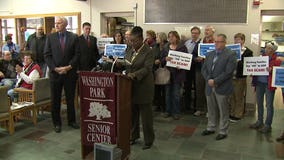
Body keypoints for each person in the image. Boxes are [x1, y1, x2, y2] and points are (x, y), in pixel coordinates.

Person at [44, 16, 80, 133]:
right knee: (55, 99)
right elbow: (47, 55)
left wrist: (69, 67)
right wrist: (55, 68)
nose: (56, 25)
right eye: (56, 23)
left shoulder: (73, 37)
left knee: (70, 98)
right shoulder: (50, 37)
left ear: (65, 24)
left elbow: (77, 55)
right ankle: (57, 123)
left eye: (59, 23)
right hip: (55, 73)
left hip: (69, 73)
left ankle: (71, 121)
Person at [124, 26, 155, 150]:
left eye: (134, 41)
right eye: (130, 40)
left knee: (146, 117)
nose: (132, 43)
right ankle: (133, 136)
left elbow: (147, 68)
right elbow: (127, 64)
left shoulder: (149, 51)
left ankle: (149, 140)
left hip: (144, 88)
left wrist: (134, 75)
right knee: (133, 115)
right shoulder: (130, 49)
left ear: (141, 39)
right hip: (130, 87)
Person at [201, 34, 237, 140]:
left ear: (225, 43)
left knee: (223, 110)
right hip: (209, 86)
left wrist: (215, 81)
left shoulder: (231, 54)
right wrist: (208, 79)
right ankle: (211, 127)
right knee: (211, 108)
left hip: (222, 87)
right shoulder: (209, 54)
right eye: (215, 41)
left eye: (219, 42)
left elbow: (228, 72)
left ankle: (223, 131)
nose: (216, 43)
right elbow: (204, 69)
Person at [250, 42, 281, 133]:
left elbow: (278, 73)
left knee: (269, 105)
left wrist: (272, 70)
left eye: (269, 48)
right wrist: (252, 71)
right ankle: (259, 121)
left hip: (269, 85)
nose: (266, 49)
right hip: (259, 83)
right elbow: (255, 67)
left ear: (273, 50)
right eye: (266, 48)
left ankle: (268, 125)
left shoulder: (277, 60)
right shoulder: (260, 58)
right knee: (259, 103)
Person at [161, 31, 188, 120]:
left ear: (177, 37)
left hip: (178, 74)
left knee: (176, 94)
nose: (171, 38)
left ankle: (176, 112)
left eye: (172, 36)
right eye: (169, 37)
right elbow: (161, 60)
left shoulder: (182, 47)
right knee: (168, 94)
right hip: (168, 73)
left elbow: (186, 60)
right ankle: (168, 111)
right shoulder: (165, 47)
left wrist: (182, 66)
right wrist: (165, 58)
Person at [229, 33, 253, 122]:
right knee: (231, 96)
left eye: (239, 39)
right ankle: (232, 112)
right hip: (231, 76)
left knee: (239, 96)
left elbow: (248, 66)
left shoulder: (248, 52)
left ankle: (238, 114)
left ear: (243, 40)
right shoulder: (230, 50)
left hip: (240, 77)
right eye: (235, 39)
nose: (236, 41)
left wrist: (239, 61)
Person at [193, 26, 216, 116]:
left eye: (208, 30)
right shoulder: (200, 42)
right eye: (205, 30)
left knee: (210, 91)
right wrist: (196, 59)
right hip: (200, 69)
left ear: (213, 32)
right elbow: (193, 55)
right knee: (199, 89)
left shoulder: (216, 42)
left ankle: (209, 110)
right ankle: (200, 109)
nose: (206, 32)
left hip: (212, 71)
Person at [184, 26, 201, 113]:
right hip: (187, 68)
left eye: (196, 33)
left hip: (197, 68)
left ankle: (196, 107)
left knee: (198, 88)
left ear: (199, 34)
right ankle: (186, 106)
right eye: (193, 33)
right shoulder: (187, 43)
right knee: (187, 87)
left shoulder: (201, 44)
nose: (194, 34)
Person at [152, 32, 168, 112]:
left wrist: (161, 61)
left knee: (165, 90)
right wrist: (154, 61)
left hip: (165, 70)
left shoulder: (167, 46)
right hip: (156, 70)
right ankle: (157, 105)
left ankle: (165, 106)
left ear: (162, 38)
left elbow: (169, 57)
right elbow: (151, 56)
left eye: (157, 37)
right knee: (157, 89)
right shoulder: (155, 47)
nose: (156, 38)